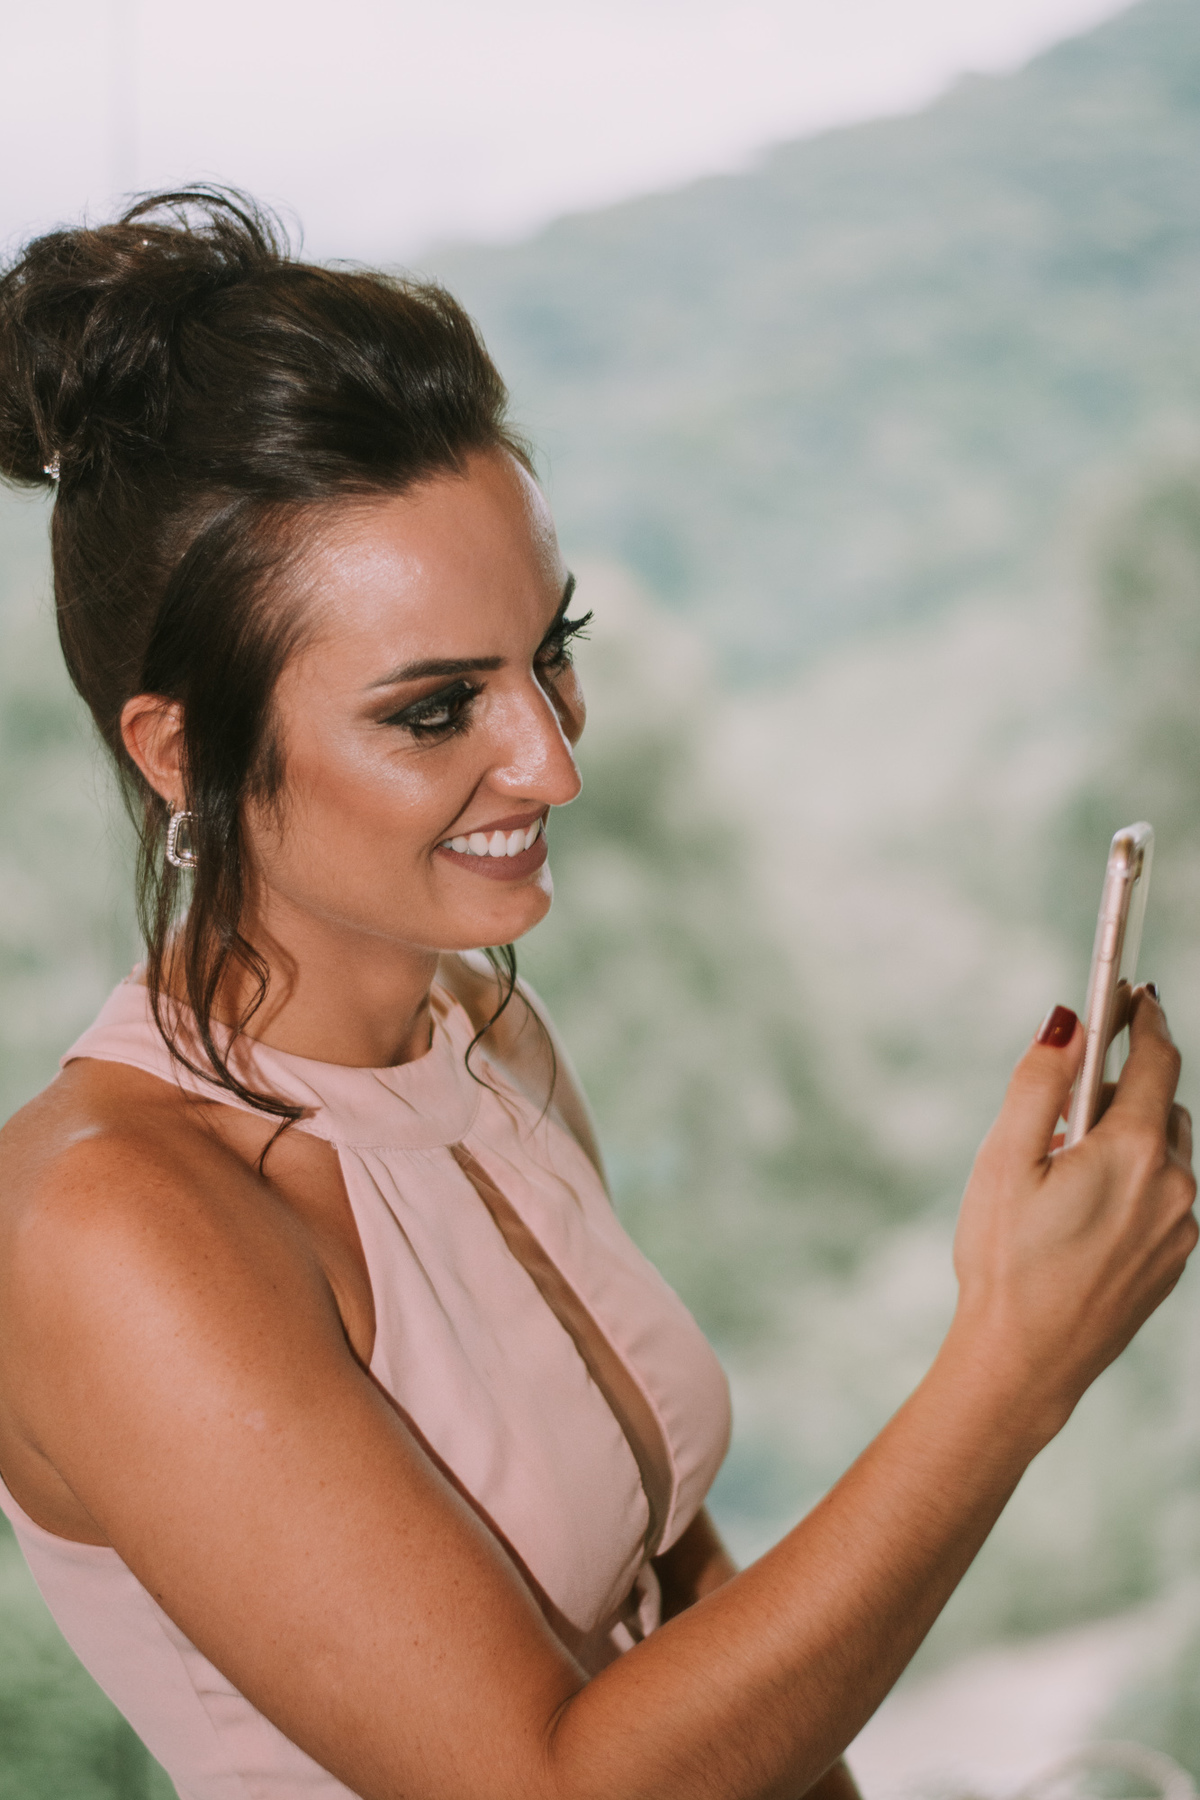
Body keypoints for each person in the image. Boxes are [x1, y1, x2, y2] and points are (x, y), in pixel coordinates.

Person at [0, 188, 1192, 1800]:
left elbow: (674, 1591)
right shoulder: (104, 1230)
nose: (552, 759)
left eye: (547, 651)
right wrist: (1013, 1367)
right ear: (184, 749)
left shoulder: (485, 1035)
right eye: (437, 710)